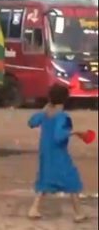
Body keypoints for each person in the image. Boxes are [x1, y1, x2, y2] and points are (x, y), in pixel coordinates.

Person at [27, 84, 89, 222]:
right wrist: (76, 132)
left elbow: (31, 122)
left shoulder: (45, 114)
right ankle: (78, 213)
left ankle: (34, 209)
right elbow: (59, 136)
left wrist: (43, 110)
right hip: (58, 153)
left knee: (45, 179)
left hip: (45, 151)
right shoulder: (63, 116)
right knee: (72, 180)